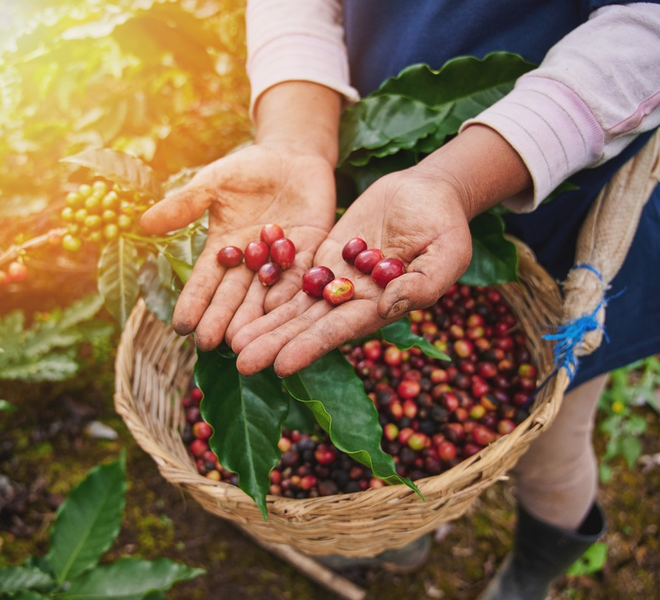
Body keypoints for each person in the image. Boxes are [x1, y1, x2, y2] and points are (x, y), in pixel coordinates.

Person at [140, 1, 660, 598]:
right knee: (374, 382)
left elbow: (647, 33)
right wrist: (297, 138)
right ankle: (402, 523)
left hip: (563, 195)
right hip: (370, 181)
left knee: (553, 451)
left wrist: (459, 178)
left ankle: (534, 572)